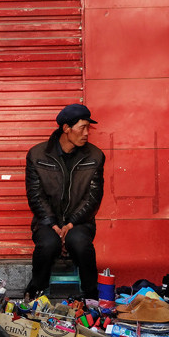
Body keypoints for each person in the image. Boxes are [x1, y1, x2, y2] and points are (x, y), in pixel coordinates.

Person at [23, 103, 105, 300]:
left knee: (80, 243)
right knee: (48, 245)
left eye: (88, 128)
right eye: (82, 127)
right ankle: (36, 291)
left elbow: (93, 197)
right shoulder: (37, 155)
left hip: (80, 221)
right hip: (46, 221)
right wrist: (52, 223)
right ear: (66, 129)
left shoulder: (95, 156)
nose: (87, 133)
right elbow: (35, 195)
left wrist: (70, 223)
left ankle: (91, 295)